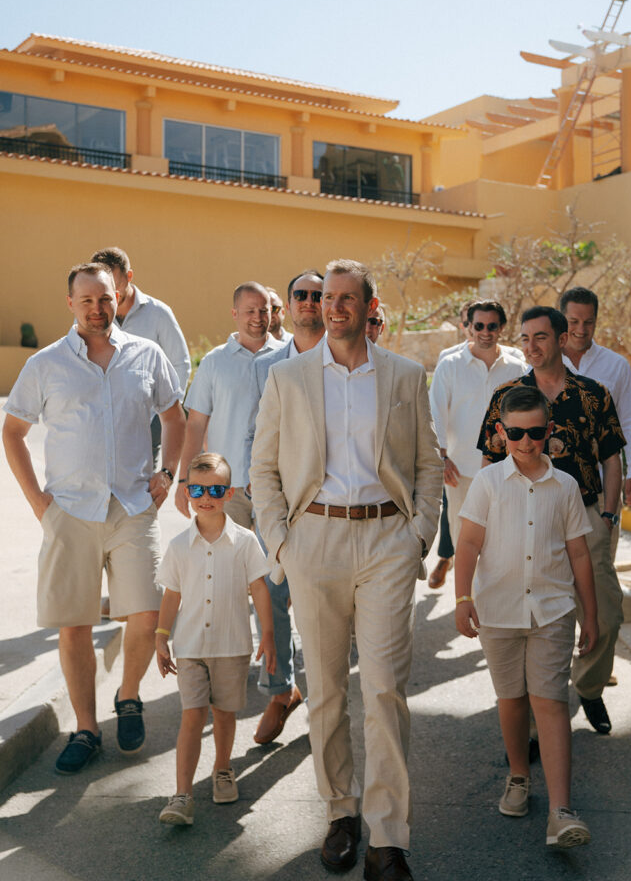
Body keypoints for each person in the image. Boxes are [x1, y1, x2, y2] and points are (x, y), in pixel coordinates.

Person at [250, 259, 442, 881]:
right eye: (325, 298)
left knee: (385, 689)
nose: (332, 307)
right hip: (316, 543)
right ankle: (340, 813)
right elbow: (263, 471)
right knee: (328, 690)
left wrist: (418, 537)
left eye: (345, 298)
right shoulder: (289, 378)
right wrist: (282, 545)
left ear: (368, 303)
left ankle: (388, 837)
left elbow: (427, 464)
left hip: (388, 538)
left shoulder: (407, 375)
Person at [2, 263, 186, 774]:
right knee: (74, 623)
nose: (97, 309)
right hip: (70, 511)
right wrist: (40, 503)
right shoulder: (46, 364)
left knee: (147, 613)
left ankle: (128, 697)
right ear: (70, 304)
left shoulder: (146, 356)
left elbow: (174, 416)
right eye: (86, 301)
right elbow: (12, 431)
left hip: (132, 506)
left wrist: (167, 473)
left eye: (104, 299)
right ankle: (86, 728)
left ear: (119, 296)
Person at [456, 386, 597, 848]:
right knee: (511, 699)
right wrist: (462, 599)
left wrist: (590, 617)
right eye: (516, 432)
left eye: (536, 432)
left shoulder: (567, 486)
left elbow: (579, 555)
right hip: (498, 611)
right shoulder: (488, 483)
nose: (526, 441)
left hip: (554, 610)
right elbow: (470, 544)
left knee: (551, 701)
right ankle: (519, 775)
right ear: (501, 433)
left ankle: (561, 811)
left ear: (549, 431)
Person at [478, 306, 626, 736]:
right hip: (523, 518)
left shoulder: (593, 393)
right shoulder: (507, 395)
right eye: (525, 338)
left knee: (606, 615)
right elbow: (489, 458)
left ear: (562, 339)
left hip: (584, 516)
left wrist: (610, 514)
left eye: (540, 337)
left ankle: (590, 687)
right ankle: (536, 726)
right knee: (533, 620)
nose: (531, 346)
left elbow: (612, 455)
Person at [155, 453, 276, 825]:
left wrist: (268, 634)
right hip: (190, 648)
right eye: (197, 489)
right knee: (192, 716)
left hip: (232, 645)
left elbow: (259, 588)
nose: (205, 497)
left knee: (224, 715)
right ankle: (182, 795)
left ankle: (223, 769)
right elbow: (171, 594)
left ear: (229, 493)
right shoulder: (178, 546)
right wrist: (161, 636)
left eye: (215, 489)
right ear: (188, 491)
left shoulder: (245, 541)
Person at [245, 270, 325, 746]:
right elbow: (261, 434)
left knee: (326, 610)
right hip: (278, 505)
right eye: (302, 295)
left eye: (319, 295)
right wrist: (261, 497)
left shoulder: (345, 356)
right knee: (271, 600)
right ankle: (280, 692)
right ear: (288, 306)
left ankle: (322, 700)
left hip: (333, 509)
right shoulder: (266, 365)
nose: (310, 302)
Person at [428, 301, 526, 589]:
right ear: (469, 327)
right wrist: (442, 458)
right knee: (463, 541)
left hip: (507, 470)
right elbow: (434, 414)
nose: (485, 332)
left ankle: (495, 600)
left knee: (504, 540)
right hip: (460, 470)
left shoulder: (518, 367)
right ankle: (467, 600)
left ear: (501, 329)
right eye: (479, 326)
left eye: (492, 326)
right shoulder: (450, 365)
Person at [176, 282, 283, 529]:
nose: (258, 317)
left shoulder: (287, 358)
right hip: (225, 488)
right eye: (250, 311)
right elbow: (195, 424)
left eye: (264, 310)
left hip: (276, 486)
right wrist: (184, 481)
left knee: (273, 565)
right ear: (234, 314)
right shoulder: (215, 361)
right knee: (229, 563)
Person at [559, 286, 631, 555]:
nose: (581, 329)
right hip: (553, 489)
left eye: (589, 322)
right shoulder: (540, 364)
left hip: (602, 489)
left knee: (602, 572)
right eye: (573, 322)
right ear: (561, 320)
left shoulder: (616, 366)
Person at [91, 247, 191, 466]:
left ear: (129, 277)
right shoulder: (92, 315)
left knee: (143, 487)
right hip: (102, 419)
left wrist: (165, 411)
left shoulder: (158, 313)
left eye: (114, 286)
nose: (110, 296)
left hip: (149, 420)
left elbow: (180, 363)